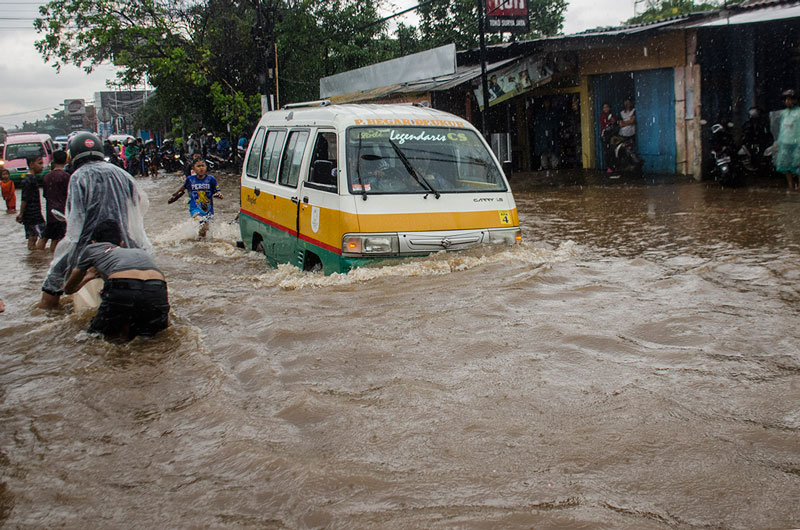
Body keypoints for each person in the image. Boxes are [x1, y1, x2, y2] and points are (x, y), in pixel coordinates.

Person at [39, 132, 151, 309]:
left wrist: (71, 247)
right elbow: (140, 204)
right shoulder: (121, 174)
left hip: (87, 243)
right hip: (123, 239)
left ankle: (49, 316)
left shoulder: (78, 177)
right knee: (146, 273)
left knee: (53, 284)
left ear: (74, 154)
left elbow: (75, 220)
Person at [63, 219, 169, 342]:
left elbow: (69, 289)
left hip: (121, 285)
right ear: (121, 243)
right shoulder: (140, 253)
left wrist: (88, 277)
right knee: (150, 339)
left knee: (95, 338)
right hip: (157, 287)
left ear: (93, 242)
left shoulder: (92, 249)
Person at [168, 158, 223, 238]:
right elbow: (183, 188)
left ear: (206, 167)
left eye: (203, 166)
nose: (201, 168)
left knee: (206, 228)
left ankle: (200, 242)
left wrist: (219, 194)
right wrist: (174, 195)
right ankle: (200, 243)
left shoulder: (211, 179)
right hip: (195, 209)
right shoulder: (190, 179)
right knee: (203, 225)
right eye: (198, 166)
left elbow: (217, 190)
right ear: (193, 168)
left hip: (208, 209)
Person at [36, 150, 71, 252]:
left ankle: (36, 257)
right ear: (66, 161)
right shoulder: (66, 177)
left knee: (44, 237)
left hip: (50, 212)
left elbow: (45, 195)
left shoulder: (47, 177)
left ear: (53, 161)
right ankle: (51, 258)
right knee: (57, 240)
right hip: (61, 214)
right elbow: (69, 196)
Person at [15, 155, 45, 250]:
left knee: (33, 237)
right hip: (32, 214)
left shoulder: (31, 178)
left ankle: (32, 258)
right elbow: (24, 199)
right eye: (39, 163)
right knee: (41, 235)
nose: (42, 166)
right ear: (31, 165)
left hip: (32, 213)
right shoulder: (28, 180)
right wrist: (21, 214)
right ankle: (35, 258)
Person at [775, 89, 800, 191]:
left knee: (798, 165)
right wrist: (779, 142)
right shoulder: (784, 113)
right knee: (785, 165)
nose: (787, 102)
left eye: (789, 99)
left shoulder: (799, 112)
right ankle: (790, 186)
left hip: (797, 143)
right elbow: (782, 129)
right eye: (785, 100)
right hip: (785, 143)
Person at [599, 102, 618, 172]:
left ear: (609, 108)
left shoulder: (613, 115)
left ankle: (614, 166)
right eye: (604, 107)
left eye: (607, 107)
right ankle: (609, 167)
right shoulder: (602, 116)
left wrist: (613, 121)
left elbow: (614, 124)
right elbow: (604, 125)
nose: (605, 109)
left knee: (612, 151)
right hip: (605, 136)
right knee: (606, 152)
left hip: (612, 136)